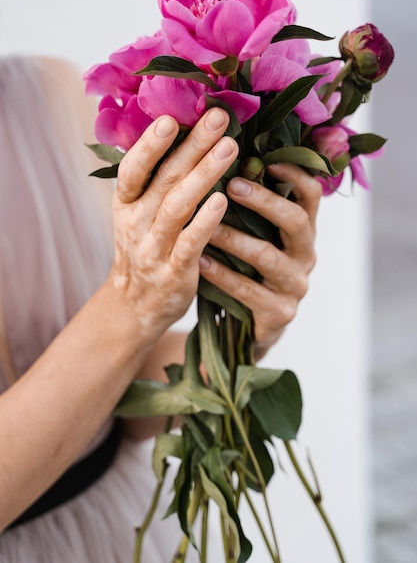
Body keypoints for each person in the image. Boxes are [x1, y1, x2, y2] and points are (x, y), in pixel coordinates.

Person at [0, 52, 321, 562]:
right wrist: (133, 305)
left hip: (118, 532)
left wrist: (235, 335)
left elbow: (116, 393)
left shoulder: (43, 93)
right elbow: (125, 320)